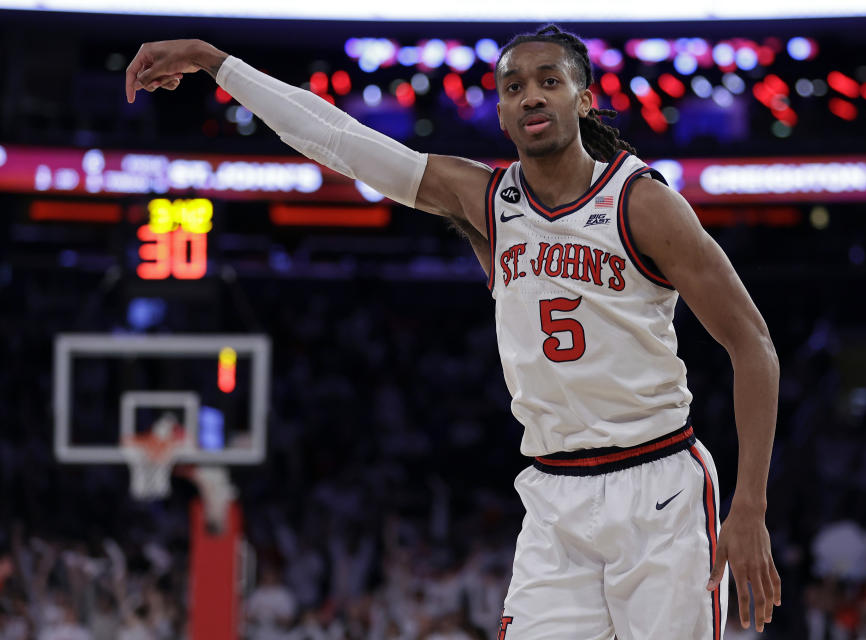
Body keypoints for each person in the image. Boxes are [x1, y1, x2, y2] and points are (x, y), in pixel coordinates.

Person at [125, 24, 781, 639]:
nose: (531, 95)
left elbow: (752, 344)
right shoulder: (485, 200)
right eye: (514, 85)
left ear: (584, 100)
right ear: (499, 112)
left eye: (550, 81)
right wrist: (217, 63)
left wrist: (748, 504)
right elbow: (343, 141)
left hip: (657, 481)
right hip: (554, 493)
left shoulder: (642, 202)